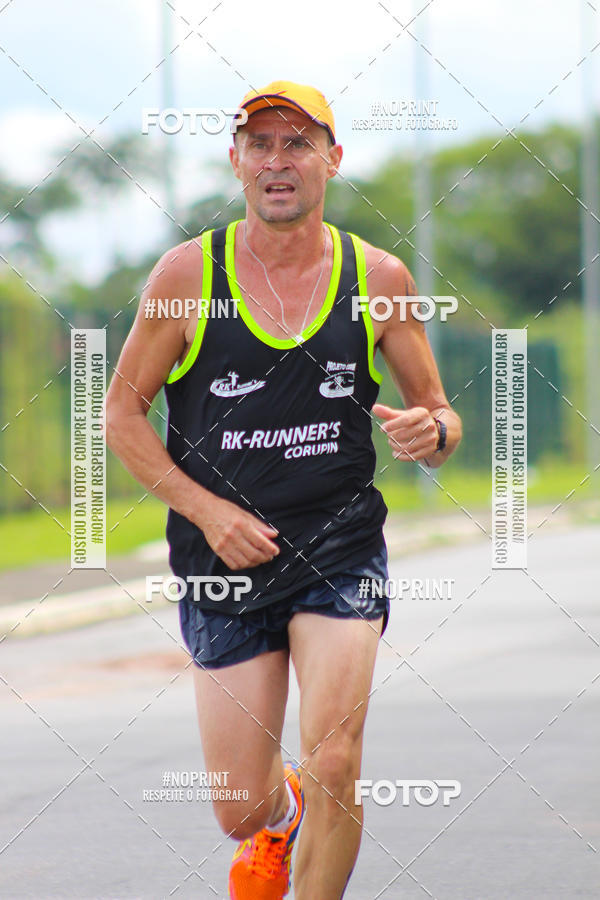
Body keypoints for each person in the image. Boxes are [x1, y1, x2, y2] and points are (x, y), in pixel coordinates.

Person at [105, 79, 462, 900]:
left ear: (332, 160)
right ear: (235, 161)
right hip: (224, 562)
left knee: (335, 756)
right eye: (259, 144)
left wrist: (432, 433)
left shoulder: (379, 276)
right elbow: (120, 416)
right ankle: (282, 814)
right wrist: (208, 512)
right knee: (240, 808)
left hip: (339, 548)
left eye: (298, 143)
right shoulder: (186, 275)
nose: (278, 160)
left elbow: (441, 416)